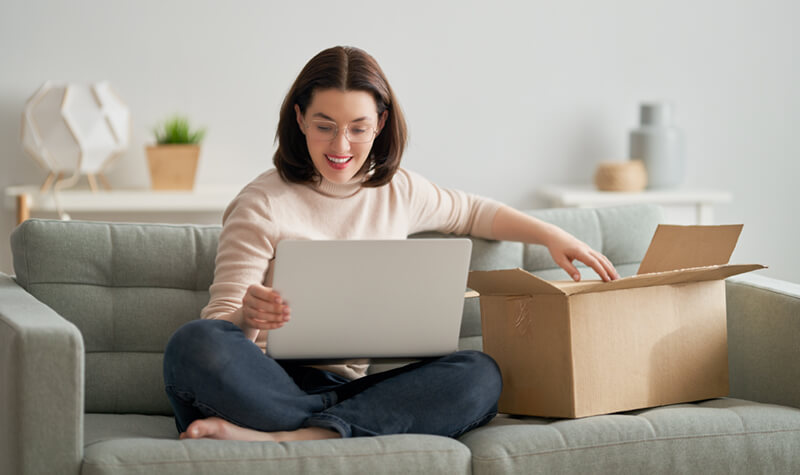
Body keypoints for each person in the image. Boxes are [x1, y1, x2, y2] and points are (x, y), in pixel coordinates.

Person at [163, 45, 619, 443]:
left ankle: (297, 435)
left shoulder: (398, 190)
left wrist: (551, 235)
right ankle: (327, 431)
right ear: (299, 118)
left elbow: (473, 212)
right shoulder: (261, 203)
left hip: (348, 389)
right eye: (325, 125)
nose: (341, 144)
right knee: (194, 343)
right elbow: (220, 328)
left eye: (358, 128)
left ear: (380, 124)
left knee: (480, 374)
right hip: (264, 385)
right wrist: (248, 316)